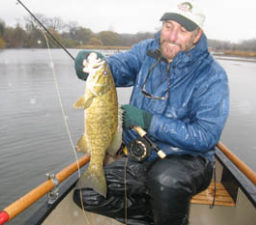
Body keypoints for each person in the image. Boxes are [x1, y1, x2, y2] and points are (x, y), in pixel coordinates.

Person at [73, 1, 229, 224]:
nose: (172, 36)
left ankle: (167, 212)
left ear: (197, 35)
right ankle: (158, 217)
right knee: (86, 194)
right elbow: (118, 66)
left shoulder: (213, 76)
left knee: (165, 180)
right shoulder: (146, 51)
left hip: (188, 160)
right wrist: (96, 63)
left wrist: (149, 121)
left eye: (183, 30)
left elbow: (205, 136)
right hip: (141, 157)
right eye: (168, 26)